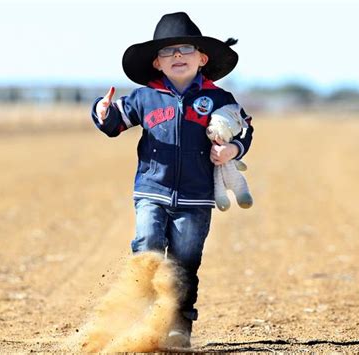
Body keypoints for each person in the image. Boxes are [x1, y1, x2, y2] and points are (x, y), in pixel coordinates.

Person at [91, 11, 253, 348]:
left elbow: (244, 127)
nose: (177, 56)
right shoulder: (144, 97)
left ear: (202, 58)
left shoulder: (219, 99)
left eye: (185, 49)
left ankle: (179, 323)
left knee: (185, 262)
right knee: (147, 245)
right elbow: (114, 122)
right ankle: (147, 312)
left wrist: (232, 149)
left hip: (196, 199)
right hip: (152, 190)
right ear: (157, 64)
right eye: (168, 52)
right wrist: (101, 111)